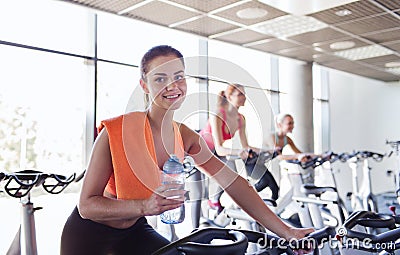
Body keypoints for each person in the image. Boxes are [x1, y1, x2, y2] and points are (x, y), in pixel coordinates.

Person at [60, 45, 313, 255]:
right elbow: (87, 205)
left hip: (134, 230)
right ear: (145, 85)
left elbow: (234, 183)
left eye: (178, 76)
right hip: (88, 236)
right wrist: (144, 207)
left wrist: (287, 232)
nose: (173, 86)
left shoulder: (185, 136)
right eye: (160, 78)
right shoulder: (115, 132)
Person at [199, 84, 279, 213]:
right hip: (201, 149)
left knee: (233, 176)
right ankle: (213, 202)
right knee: (225, 176)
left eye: (244, 94)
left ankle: (218, 203)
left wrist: (267, 150)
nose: (244, 97)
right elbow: (219, 148)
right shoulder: (218, 115)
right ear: (229, 97)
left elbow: (246, 146)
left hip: (218, 150)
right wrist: (240, 152)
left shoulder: (241, 119)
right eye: (240, 94)